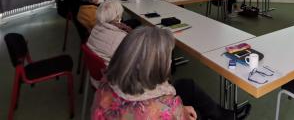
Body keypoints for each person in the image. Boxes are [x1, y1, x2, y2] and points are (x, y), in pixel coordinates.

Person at [91, 26, 250, 120]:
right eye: (168, 57)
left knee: (187, 85)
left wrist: (180, 108)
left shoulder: (107, 81)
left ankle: (228, 116)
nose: (170, 62)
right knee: (199, 113)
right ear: (153, 65)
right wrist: (181, 111)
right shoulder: (164, 109)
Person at [87, 0, 131, 64]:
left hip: (98, 66)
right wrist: (131, 34)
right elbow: (130, 58)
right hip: (112, 70)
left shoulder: (95, 27)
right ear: (118, 16)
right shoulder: (120, 36)